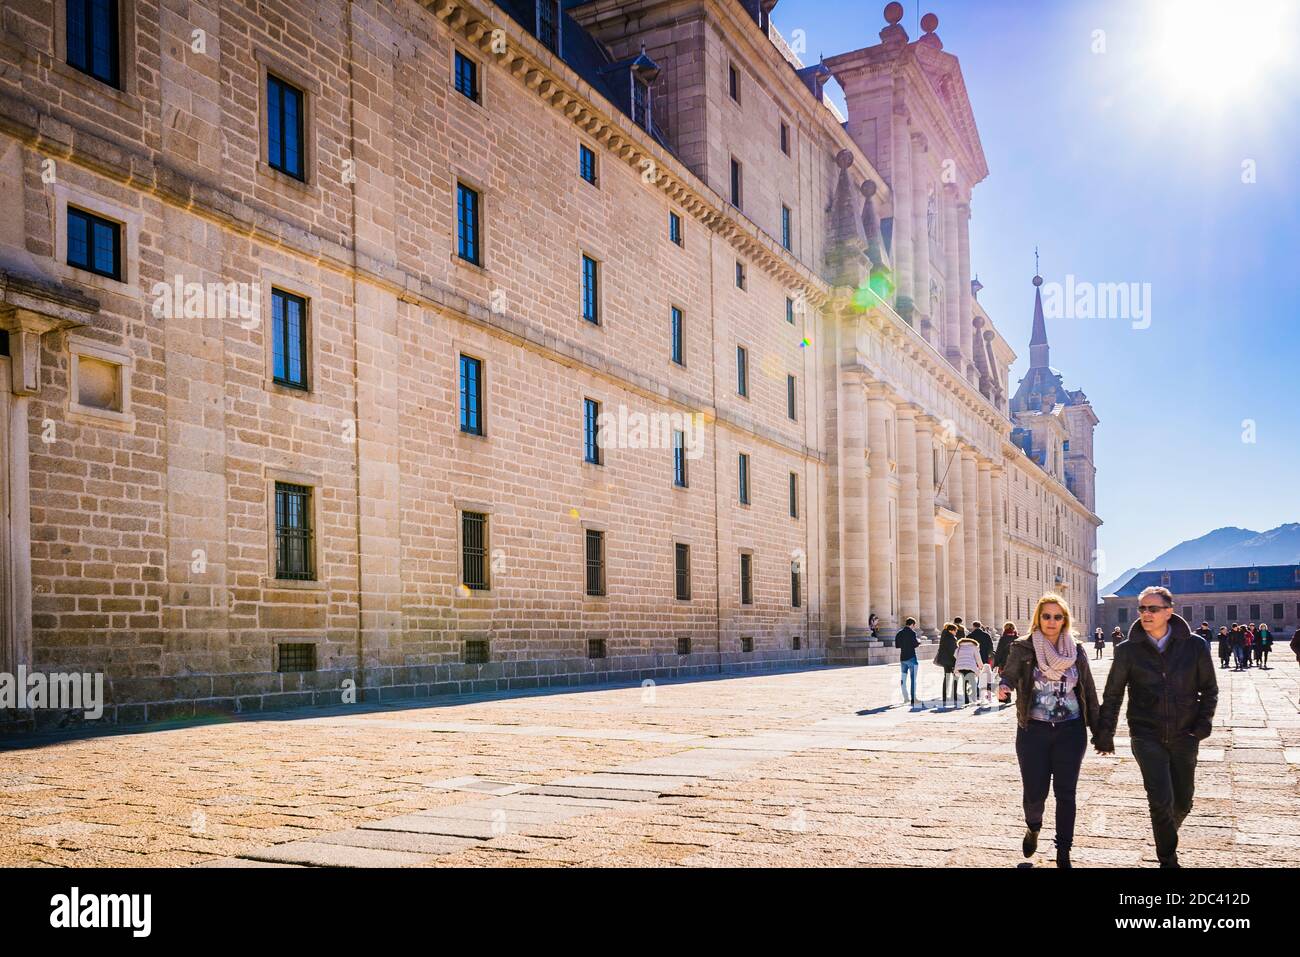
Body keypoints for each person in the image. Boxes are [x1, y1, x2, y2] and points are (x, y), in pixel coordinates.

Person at [1095, 586, 1218, 869]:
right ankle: (1167, 859)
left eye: (1152, 609)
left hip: (1185, 733)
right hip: (1145, 733)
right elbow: (1113, 694)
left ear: (1169, 611)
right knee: (1160, 799)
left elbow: (1209, 690)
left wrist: (1202, 726)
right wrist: (1105, 733)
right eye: (1142, 609)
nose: (1146, 614)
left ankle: (1165, 835)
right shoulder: (1127, 650)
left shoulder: (1195, 645)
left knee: (1183, 801)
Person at [997, 592, 1099, 869]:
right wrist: (1004, 686)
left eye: (1057, 616)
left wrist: (1100, 730)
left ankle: (1063, 852)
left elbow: (1087, 690)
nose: (1051, 621)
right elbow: (1010, 673)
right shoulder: (1023, 647)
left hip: (1071, 731)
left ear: (1064, 619)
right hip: (1034, 731)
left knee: (1066, 793)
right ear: (1038, 619)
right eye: (1046, 616)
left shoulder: (1076, 650)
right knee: (1035, 792)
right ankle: (1033, 827)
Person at [895, 617, 921, 707]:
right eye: (914, 625)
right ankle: (913, 699)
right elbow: (915, 644)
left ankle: (906, 698)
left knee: (903, 679)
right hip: (911, 658)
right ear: (912, 624)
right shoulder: (912, 633)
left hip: (903, 658)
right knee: (913, 679)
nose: (914, 627)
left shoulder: (899, 633)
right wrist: (919, 642)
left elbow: (897, 645)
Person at [954, 627, 982, 706]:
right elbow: (978, 658)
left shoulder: (959, 647)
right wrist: (981, 666)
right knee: (973, 682)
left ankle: (966, 699)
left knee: (964, 682)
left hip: (961, 667)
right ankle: (973, 699)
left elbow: (955, 655)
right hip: (971, 667)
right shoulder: (974, 647)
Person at [935, 623, 960, 708]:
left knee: (946, 678)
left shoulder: (944, 637)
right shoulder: (951, 638)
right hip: (951, 661)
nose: (956, 632)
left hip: (945, 661)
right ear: (951, 630)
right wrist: (956, 661)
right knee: (955, 678)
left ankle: (945, 697)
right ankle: (954, 696)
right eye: (955, 630)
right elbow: (953, 651)